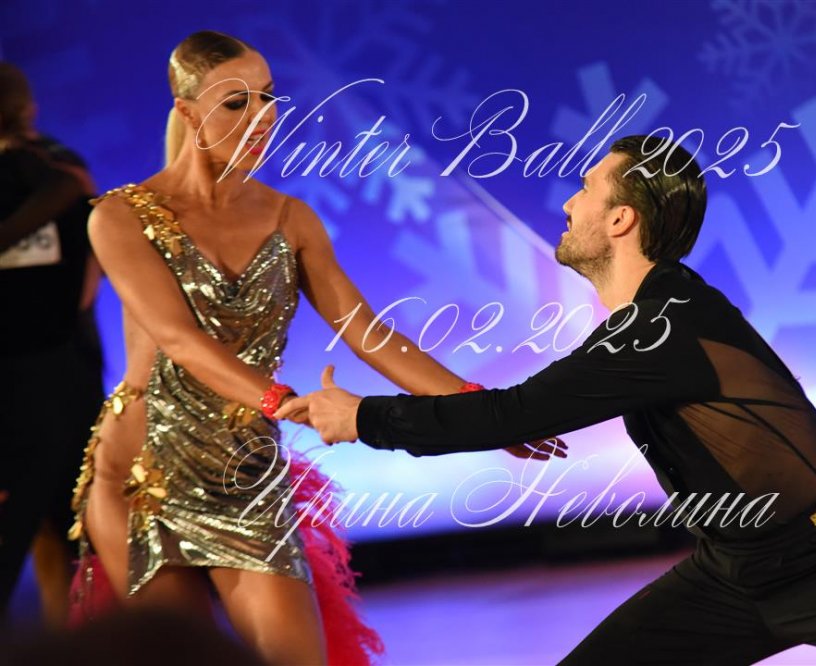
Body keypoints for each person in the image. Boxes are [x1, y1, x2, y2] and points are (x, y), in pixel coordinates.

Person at [279, 136, 816, 665]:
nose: (567, 204)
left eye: (585, 188)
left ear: (620, 220)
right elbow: (515, 412)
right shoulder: (650, 320)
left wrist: (362, 417)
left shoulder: (663, 327)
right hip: (733, 574)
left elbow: (511, 414)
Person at [67, 30, 564, 666]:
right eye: (236, 102)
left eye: (268, 97)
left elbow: (368, 332)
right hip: (143, 477)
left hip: (242, 470)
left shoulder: (290, 217)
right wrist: (282, 401)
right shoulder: (120, 217)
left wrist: (482, 411)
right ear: (188, 113)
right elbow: (178, 338)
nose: (261, 116)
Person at [0, 61, 105, 628]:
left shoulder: (59, 171)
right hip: (61, 371)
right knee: (65, 524)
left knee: (63, 522)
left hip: (49, 372)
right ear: (29, 109)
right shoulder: (63, 168)